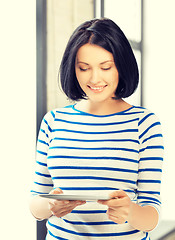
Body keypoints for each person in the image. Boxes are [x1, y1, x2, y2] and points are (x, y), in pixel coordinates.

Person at [29, 18, 164, 240]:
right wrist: (50, 204)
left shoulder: (144, 123)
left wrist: (129, 211)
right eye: (84, 68)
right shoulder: (53, 121)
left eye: (106, 67)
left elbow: (152, 214)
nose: (94, 78)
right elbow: (36, 202)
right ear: (73, 68)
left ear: (121, 65)